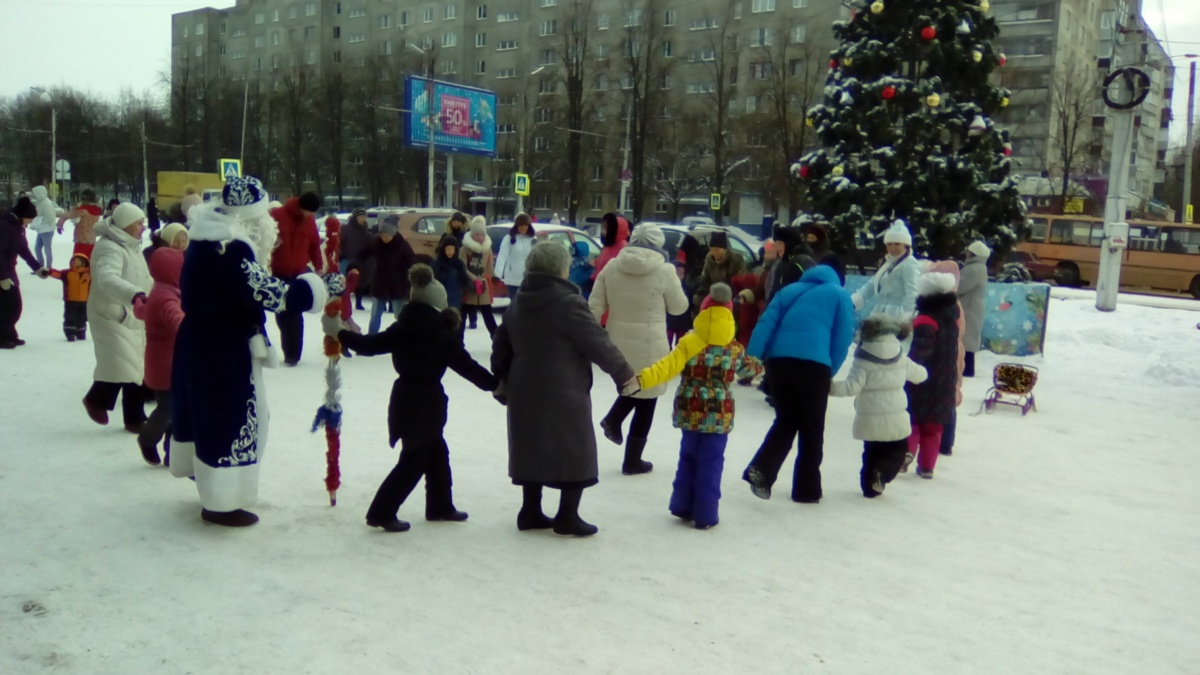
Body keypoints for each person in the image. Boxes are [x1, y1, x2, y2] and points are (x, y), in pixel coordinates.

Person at [170, 177, 338, 527]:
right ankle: (220, 501)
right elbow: (268, 293)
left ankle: (211, 485)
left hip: (205, 339)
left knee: (210, 412)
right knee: (233, 418)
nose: (270, 222)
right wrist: (316, 289)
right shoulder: (231, 246)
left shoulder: (207, 236)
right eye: (264, 214)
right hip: (223, 347)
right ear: (250, 216)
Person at [327, 265, 499, 533]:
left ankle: (440, 506)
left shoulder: (402, 327)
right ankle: (381, 512)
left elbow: (369, 346)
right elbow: (467, 367)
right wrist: (496, 386)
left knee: (436, 453)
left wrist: (340, 332)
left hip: (404, 397)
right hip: (427, 402)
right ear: (438, 302)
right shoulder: (443, 333)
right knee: (414, 460)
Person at [491, 243, 637, 537]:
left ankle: (530, 510)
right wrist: (624, 374)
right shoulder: (568, 303)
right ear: (560, 268)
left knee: (531, 446)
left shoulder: (519, 300)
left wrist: (502, 379)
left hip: (523, 387)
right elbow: (598, 343)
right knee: (574, 448)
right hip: (563, 389)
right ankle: (567, 515)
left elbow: (500, 345)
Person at [637, 283, 755, 530]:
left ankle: (682, 506)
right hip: (719, 415)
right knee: (711, 463)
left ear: (703, 311)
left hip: (689, 410)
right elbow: (748, 369)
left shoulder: (689, 341)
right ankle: (706, 514)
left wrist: (642, 379)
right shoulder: (734, 349)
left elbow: (666, 367)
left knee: (688, 457)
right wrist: (761, 367)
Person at [742, 265, 856, 503]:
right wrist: (829, 370)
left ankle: (762, 468)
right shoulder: (839, 294)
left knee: (786, 419)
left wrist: (753, 357)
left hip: (779, 362)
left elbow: (765, 324)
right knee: (812, 428)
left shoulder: (788, 291)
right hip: (814, 365)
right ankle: (806, 490)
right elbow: (842, 337)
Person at [589, 223, 689, 475]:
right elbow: (679, 307)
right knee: (649, 396)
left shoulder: (612, 266)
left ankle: (615, 420)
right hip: (650, 342)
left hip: (616, 342)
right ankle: (631, 457)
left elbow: (594, 306)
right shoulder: (665, 271)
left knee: (634, 385)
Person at [830, 315, 928, 498]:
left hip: (870, 419)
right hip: (895, 419)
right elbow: (920, 375)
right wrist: (925, 372)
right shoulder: (900, 356)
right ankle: (882, 473)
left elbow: (851, 387)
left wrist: (829, 386)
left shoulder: (862, 358)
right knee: (898, 453)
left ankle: (869, 488)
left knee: (871, 453)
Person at [82, 203, 151, 432]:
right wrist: (134, 294)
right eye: (139, 223)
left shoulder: (131, 246)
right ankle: (134, 418)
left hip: (130, 312)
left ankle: (99, 401)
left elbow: (143, 278)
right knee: (127, 366)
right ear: (126, 224)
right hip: (110, 313)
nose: (143, 227)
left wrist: (160, 292)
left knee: (130, 365)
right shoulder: (110, 247)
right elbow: (106, 278)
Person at [903, 272, 961, 479]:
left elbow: (922, 349)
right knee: (934, 424)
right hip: (946, 377)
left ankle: (906, 452)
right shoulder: (952, 314)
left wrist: (908, 366)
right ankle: (927, 467)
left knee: (913, 418)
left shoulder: (926, 318)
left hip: (924, 377)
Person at [135, 247, 184, 466]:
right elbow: (176, 319)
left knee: (177, 408)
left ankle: (171, 453)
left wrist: (139, 305)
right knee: (168, 408)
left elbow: (145, 312)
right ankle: (147, 439)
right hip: (166, 366)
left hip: (171, 364)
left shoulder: (164, 291)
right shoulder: (166, 297)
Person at [269, 192, 324, 365]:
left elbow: (315, 245)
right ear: (301, 206)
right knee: (283, 313)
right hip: (279, 271)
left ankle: (293, 355)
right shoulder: (277, 215)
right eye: (308, 212)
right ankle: (290, 351)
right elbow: (265, 239)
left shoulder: (309, 221)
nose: (310, 216)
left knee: (295, 314)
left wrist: (319, 266)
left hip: (299, 273)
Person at [926, 260, 966, 457]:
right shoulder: (955, 303)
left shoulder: (943, 304)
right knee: (948, 394)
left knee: (943, 395)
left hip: (946, 355)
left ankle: (943, 440)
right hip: (954, 354)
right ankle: (945, 442)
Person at [0, 197, 48, 348]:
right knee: (8, 306)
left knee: (14, 306)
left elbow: (23, 249)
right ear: (22, 215)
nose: (30, 223)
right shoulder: (4, 226)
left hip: (9, 270)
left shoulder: (18, 227)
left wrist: (37, 268)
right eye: (30, 219)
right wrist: (2, 277)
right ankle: (3, 337)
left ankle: (9, 334)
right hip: (2, 271)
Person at [852, 219, 920, 321]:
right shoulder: (887, 262)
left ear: (905, 245)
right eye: (889, 244)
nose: (892, 247)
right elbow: (871, 285)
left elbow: (912, 292)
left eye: (897, 244)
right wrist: (853, 302)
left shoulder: (910, 263)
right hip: (879, 311)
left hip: (897, 315)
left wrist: (908, 317)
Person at [359, 215, 416, 334]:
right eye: (382, 235)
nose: (384, 238)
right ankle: (371, 341)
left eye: (387, 236)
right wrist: (354, 265)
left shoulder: (403, 245)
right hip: (380, 282)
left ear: (393, 234)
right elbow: (362, 255)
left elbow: (413, 263)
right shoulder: (376, 242)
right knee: (375, 315)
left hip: (398, 283)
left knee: (399, 316)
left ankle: (402, 342)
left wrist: (415, 280)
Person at [460, 216, 498, 335]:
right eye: (477, 235)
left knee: (488, 315)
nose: (480, 238)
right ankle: (457, 343)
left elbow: (489, 266)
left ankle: (498, 340)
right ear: (472, 235)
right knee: (462, 317)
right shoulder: (464, 249)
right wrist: (474, 279)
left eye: (482, 235)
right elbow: (463, 267)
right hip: (468, 286)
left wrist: (493, 277)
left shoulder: (487, 249)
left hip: (483, 287)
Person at [959, 240, 990, 378]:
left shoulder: (974, 268)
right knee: (969, 336)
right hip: (973, 306)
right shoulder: (979, 267)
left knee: (967, 337)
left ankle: (967, 369)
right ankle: (966, 367)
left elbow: (961, 286)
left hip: (969, 307)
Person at [45, 252, 91, 342]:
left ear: (84, 263)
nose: (75, 262)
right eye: (73, 261)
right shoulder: (67, 273)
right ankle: (70, 333)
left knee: (82, 318)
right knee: (70, 317)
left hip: (84, 301)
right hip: (70, 301)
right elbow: (57, 273)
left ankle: (81, 332)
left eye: (77, 261)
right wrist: (48, 271)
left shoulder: (88, 275)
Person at [694, 231, 746, 307]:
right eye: (711, 249)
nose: (714, 252)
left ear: (724, 249)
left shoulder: (736, 259)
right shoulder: (709, 258)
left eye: (717, 249)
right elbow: (705, 279)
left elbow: (738, 283)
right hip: (713, 296)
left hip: (730, 298)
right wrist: (700, 297)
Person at [495, 213, 535, 298]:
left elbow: (538, 259)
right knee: (515, 305)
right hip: (512, 279)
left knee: (526, 305)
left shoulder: (533, 240)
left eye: (525, 225)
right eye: (520, 225)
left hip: (528, 279)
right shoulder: (508, 239)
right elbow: (502, 256)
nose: (523, 228)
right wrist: (497, 274)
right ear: (516, 226)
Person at [340, 207, 372, 310]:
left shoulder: (365, 230)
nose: (363, 219)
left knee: (360, 281)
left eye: (364, 216)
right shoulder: (346, 228)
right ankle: (342, 302)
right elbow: (339, 242)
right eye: (361, 216)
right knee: (345, 282)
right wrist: (341, 254)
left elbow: (368, 245)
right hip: (348, 258)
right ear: (355, 217)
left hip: (361, 260)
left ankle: (358, 302)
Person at [803, 221, 846, 286]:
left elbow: (839, 278)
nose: (809, 241)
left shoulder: (829, 257)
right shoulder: (804, 255)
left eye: (813, 238)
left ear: (820, 240)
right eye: (808, 238)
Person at [592, 212, 630, 281]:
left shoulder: (624, 249)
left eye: (607, 228)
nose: (603, 232)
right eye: (603, 227)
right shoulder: (608, 245)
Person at [67, 189, 101, 258]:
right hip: (92, 240)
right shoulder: (97, 209)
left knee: (78, 261)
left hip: (81, 240)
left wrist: (75, 207)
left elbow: (70, 215)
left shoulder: (82, 210)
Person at [30, 185, 57, 270]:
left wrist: (37, 223)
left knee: (47, 249)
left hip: (47, 230)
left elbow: (48, 217)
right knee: (37, 248)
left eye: (35, 194)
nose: (34, 195)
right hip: (41, 230)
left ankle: (49, 268)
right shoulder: (40, 202)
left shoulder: (46, 203)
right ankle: (40, 266)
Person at [667, 261, 693, 347]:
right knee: (666, 346)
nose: (679, 275)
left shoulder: (689, 289)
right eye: (677, 272)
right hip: (669, 322)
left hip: (683, 323)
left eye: (681, 273)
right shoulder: (666, 287)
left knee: (680, 346)